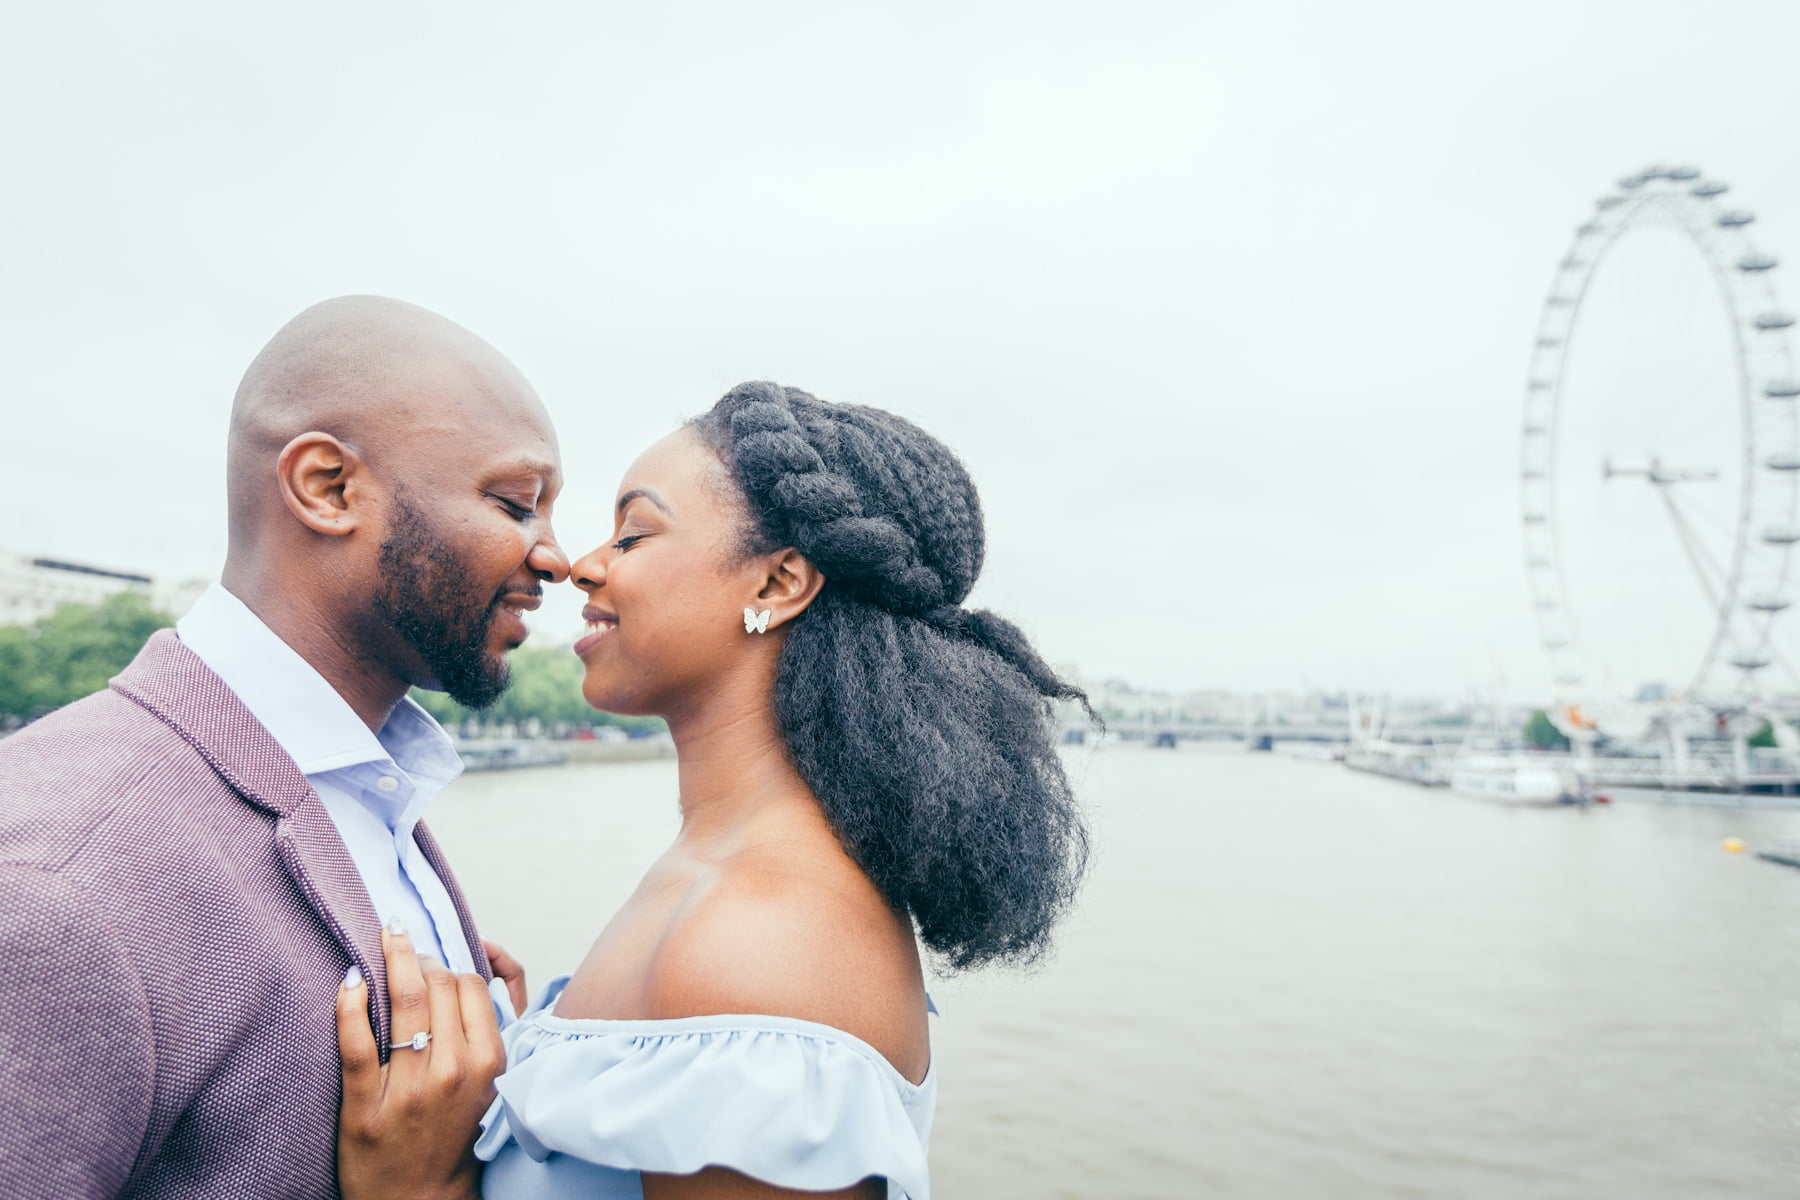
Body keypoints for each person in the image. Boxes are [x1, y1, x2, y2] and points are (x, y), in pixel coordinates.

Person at [339, 382, 1091, 1199]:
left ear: (777, 586)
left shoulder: (766, 949)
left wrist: (413, 1192)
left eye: (633, 534)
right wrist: (530, 1061)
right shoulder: (726, 878)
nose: (583, 565)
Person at [0, 296, 563, 1199]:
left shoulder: (372, 784)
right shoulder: (60, 882)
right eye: (517, 504)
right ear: (328, 488)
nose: (556, 557)